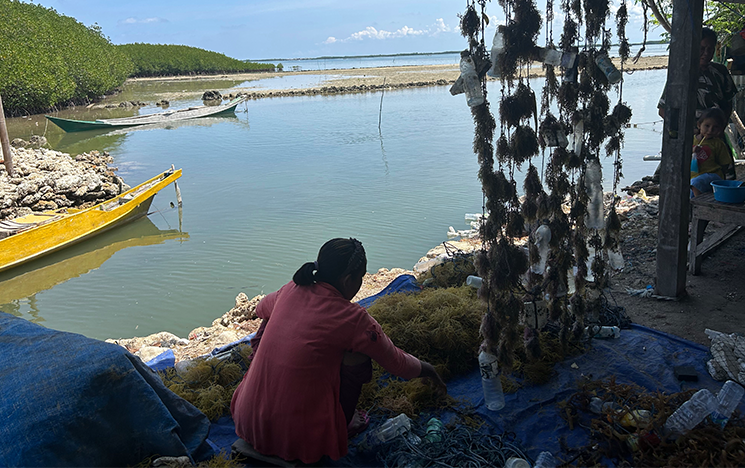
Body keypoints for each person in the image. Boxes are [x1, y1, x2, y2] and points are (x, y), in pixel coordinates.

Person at [230, 238, 447, 464]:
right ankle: (342, 424)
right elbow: (397, 363)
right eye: (361, 278)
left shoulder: (291, 289)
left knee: (269, 323)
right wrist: (429, 370)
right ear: (348, 280)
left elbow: (259, 308)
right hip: (297, 440)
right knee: (359, 354)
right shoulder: (354, 319)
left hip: (247, 421)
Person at [658, 27, 737, 120]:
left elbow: (728, 103)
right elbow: (663, 110)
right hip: (686, 131)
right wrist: (693, 129)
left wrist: (718, 126)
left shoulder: (720, 71)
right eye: (702, 49)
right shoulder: (681, 74)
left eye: (710, 49)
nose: (706, 53)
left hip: (713, 130)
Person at [690, 107, 733, 196]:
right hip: (693, 177)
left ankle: (698, 203)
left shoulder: (718, 144)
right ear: (699, 125)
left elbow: (725, 164)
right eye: (707, 126)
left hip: (713, 176)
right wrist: (692, 152)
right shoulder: (691, 141)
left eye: (715, 127)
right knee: (692, 186)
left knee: (696, 183)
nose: (710, 130)